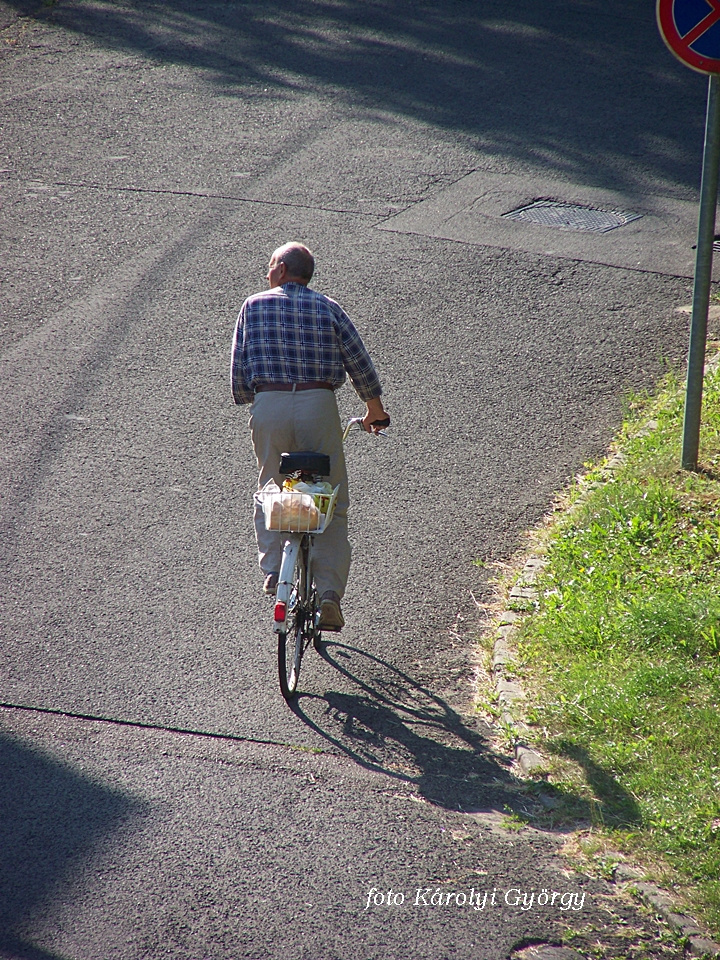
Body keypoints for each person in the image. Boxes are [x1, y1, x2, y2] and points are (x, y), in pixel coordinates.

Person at [230, 242, 389, 631]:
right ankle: (330, 594)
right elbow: (359, 362)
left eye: (270, 267)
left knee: (273, 484)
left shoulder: (253, 306)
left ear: (282, 270)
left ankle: (273, 571)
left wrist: (259, 399)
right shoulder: (329, 308)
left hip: (270, 405)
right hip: (319, 404)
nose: (267, 273)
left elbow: (239, 375)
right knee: (331, 501)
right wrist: (374, 409)